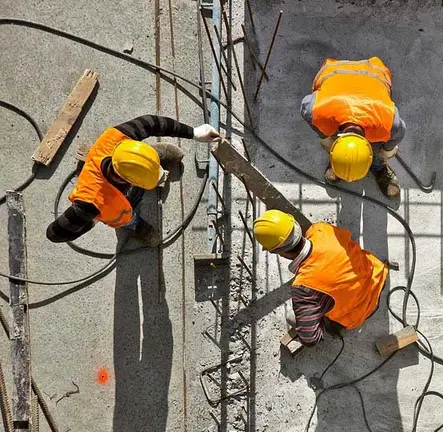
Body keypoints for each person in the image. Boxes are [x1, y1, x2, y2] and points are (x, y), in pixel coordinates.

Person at [46, 115, 219, 246]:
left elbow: (153, 123)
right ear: (128, 180)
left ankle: (153, 156)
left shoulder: (117, 137)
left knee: (144, 164)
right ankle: (134, 224)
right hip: (119, 210)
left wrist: (193, 133)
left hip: (131, 166)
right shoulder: (90, 203)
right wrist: (93, 220)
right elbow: (54, 234)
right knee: (126, 218)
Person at [253, 209, 389, 346]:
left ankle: (334, 324)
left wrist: (315, 314)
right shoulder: (321, 229)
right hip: (376, 275)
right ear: (296, 226)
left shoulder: (303, 288)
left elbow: (310, 339)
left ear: (278, 251)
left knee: (291, 316)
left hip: (361, 311)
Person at [300, 57, 406, 198]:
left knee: (378, 149)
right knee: (333, 137)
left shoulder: (389, 124)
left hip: (373, 71)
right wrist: (325, 138)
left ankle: (378, 167)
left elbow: (398, 132)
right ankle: (341, 162)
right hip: (335, 70)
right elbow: (306, 107)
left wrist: (385, 152)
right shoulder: (316, 111)